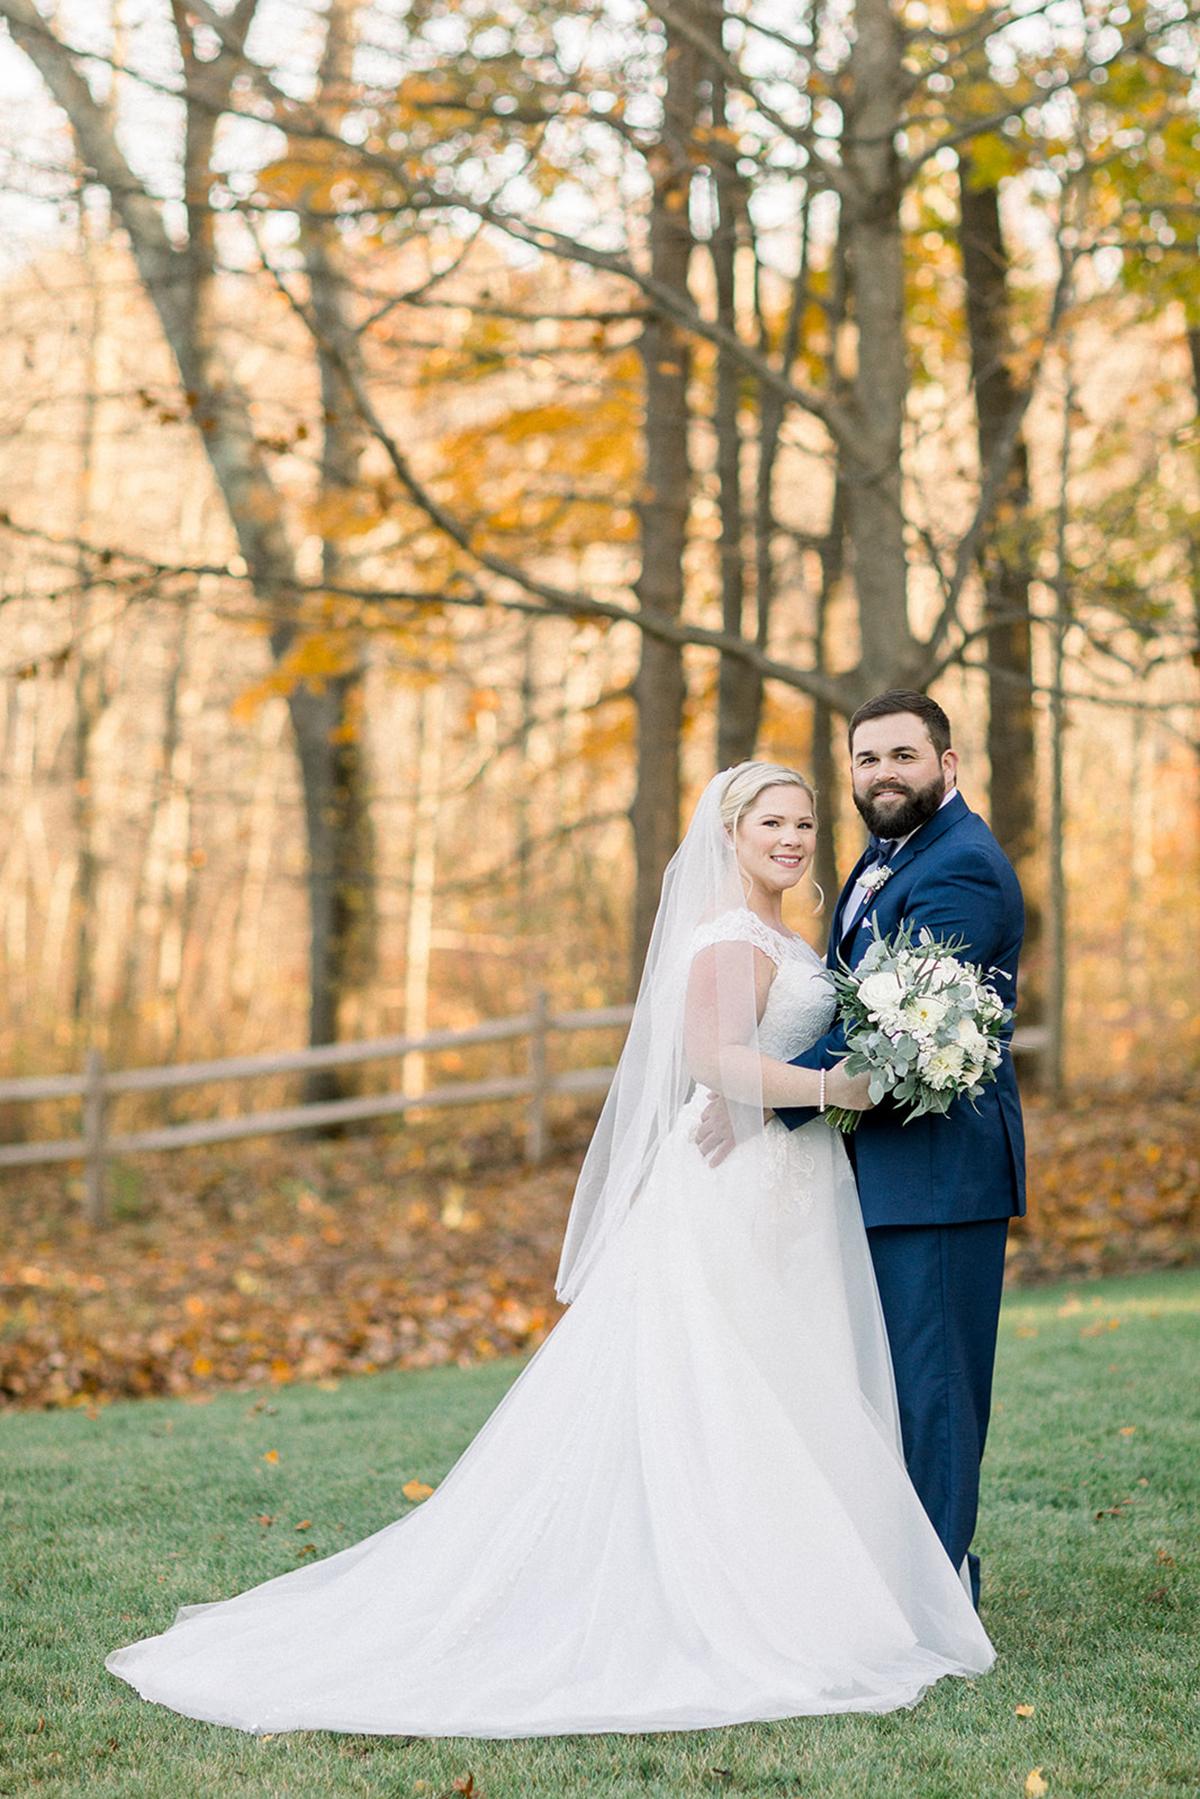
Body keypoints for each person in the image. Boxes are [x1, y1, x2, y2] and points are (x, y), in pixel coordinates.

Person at [105, 761, 993, 1740]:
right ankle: (733, 1593)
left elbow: (776, 1053)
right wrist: (841, 1092)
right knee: (725, 1382)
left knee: (792, 1378)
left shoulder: (791, 932)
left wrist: (872, 1058)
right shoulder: (728, 936)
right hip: (730, 1193)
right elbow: (712, 1060)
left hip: (790, 1179)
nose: (793, 838)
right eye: (773, 822)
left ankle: (813, 1588)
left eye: (805, 824)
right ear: (731, 833)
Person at [699, 692, 1026, 1611]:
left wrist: (767, 1097)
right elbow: (856, 1000)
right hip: (872, 1169)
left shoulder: (959, 867)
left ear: (948, 765)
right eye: (867, 759)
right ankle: (890, 1573)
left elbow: (899, 1028)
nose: (882, 774)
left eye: (903, 756)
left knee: (936, 1390)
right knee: (882, 1384)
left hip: (938, 1172)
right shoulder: (886, 859)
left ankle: (939, 1587)